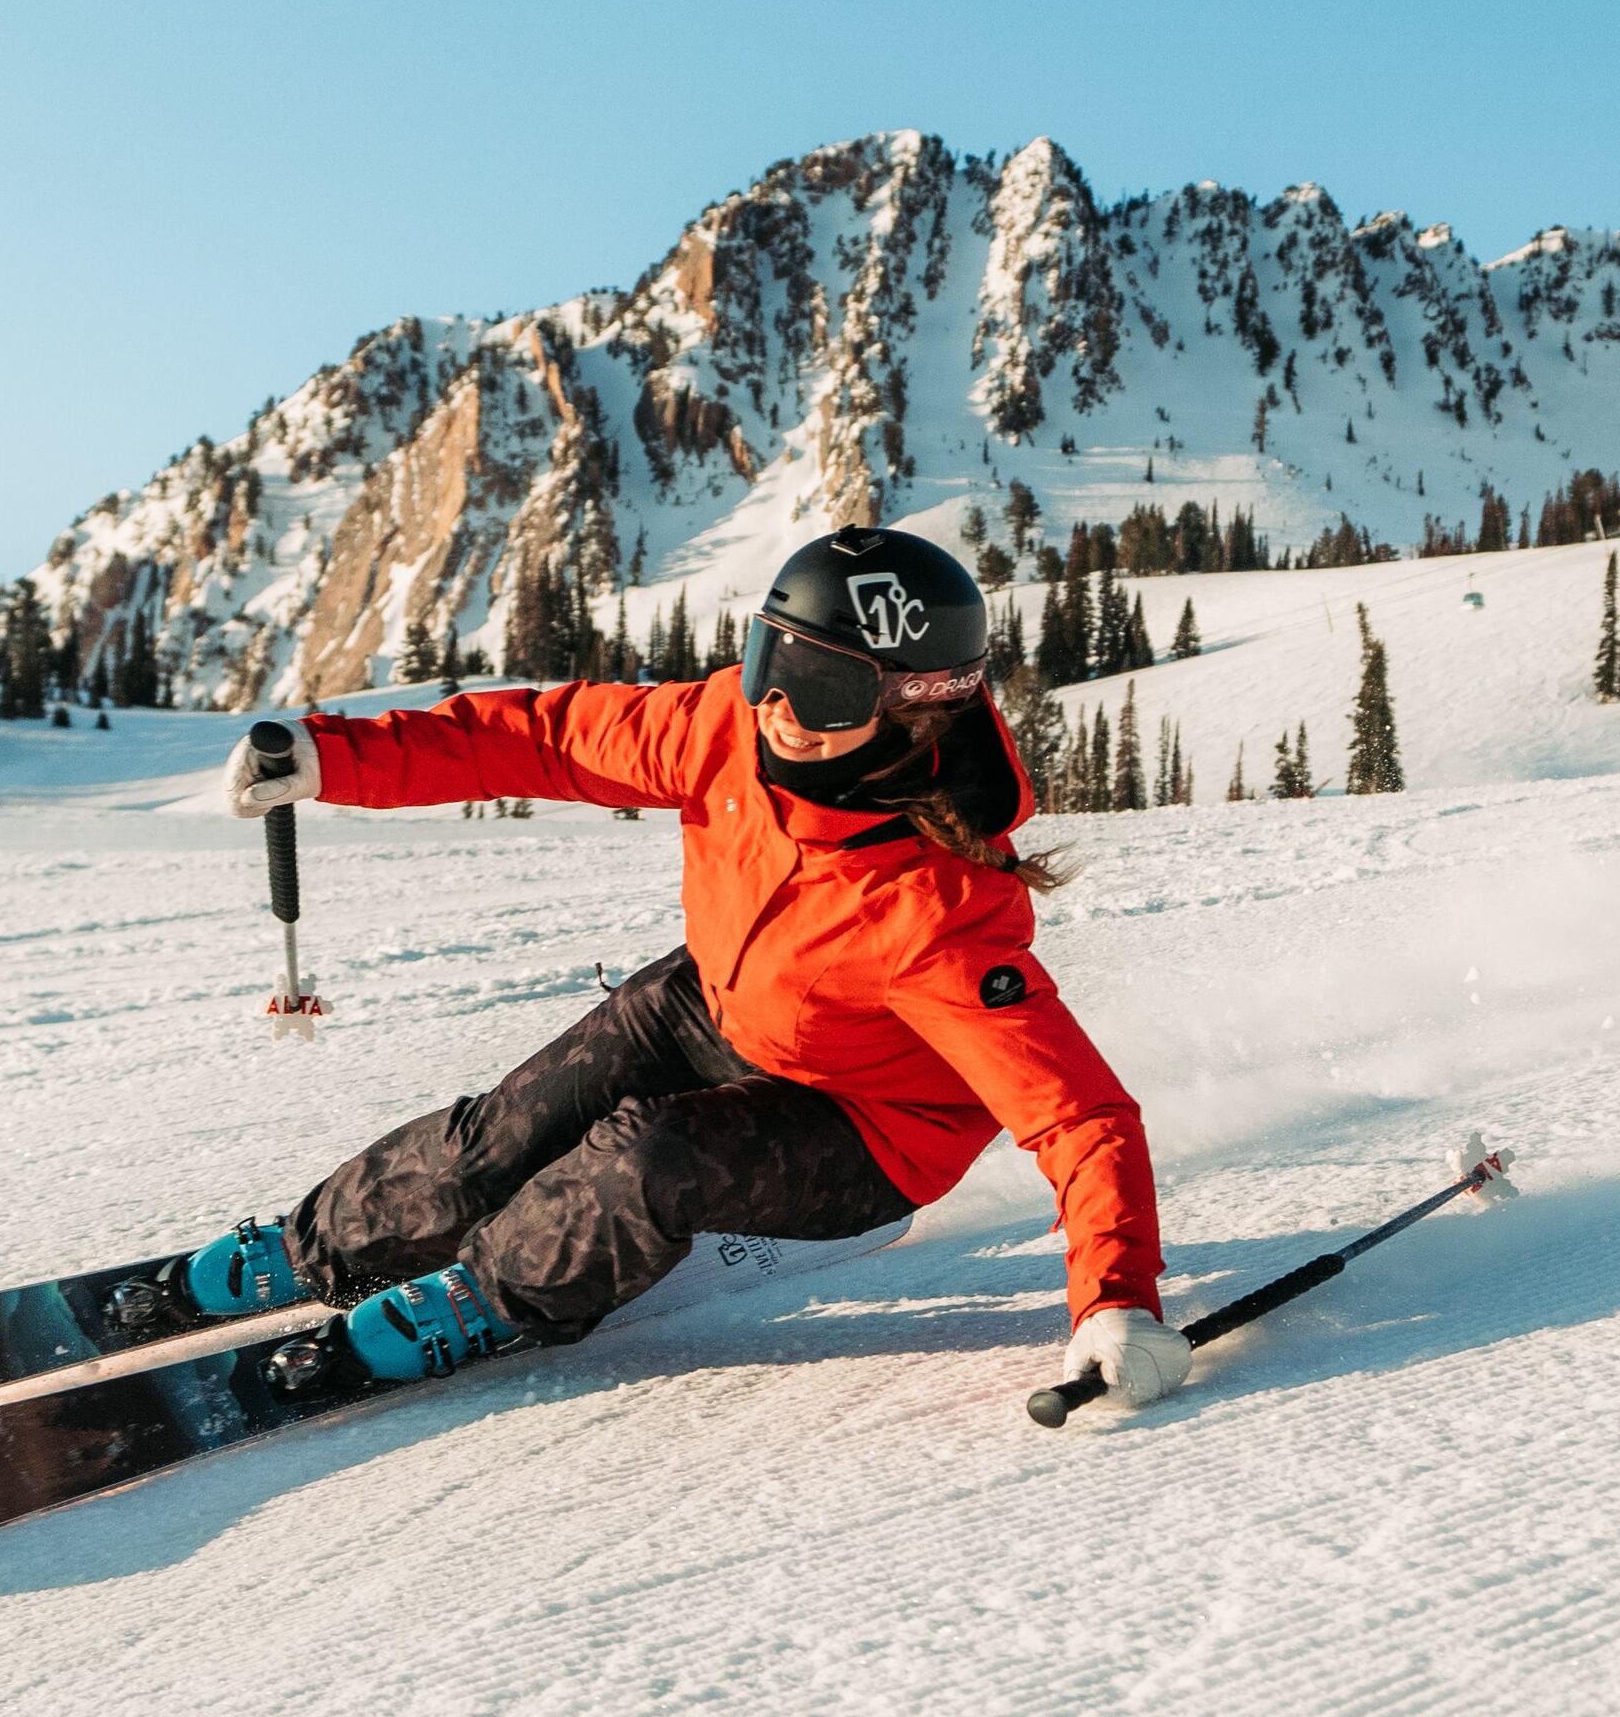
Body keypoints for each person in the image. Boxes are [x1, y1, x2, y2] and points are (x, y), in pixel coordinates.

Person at [134, 526, 1189, 1417]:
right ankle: (320, 1242)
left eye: (817, 685)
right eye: (769, 660)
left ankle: (492, 1295)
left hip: (864, 1125)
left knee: (648, 1155)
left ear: (915, 704)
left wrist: (1115, 1298)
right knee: (508, 1128)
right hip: (724, 1002)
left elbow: (1076, 1116)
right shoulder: (723, 727)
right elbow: (547, 739)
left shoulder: (937, 914)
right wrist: (332, 757)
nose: (773, 702)